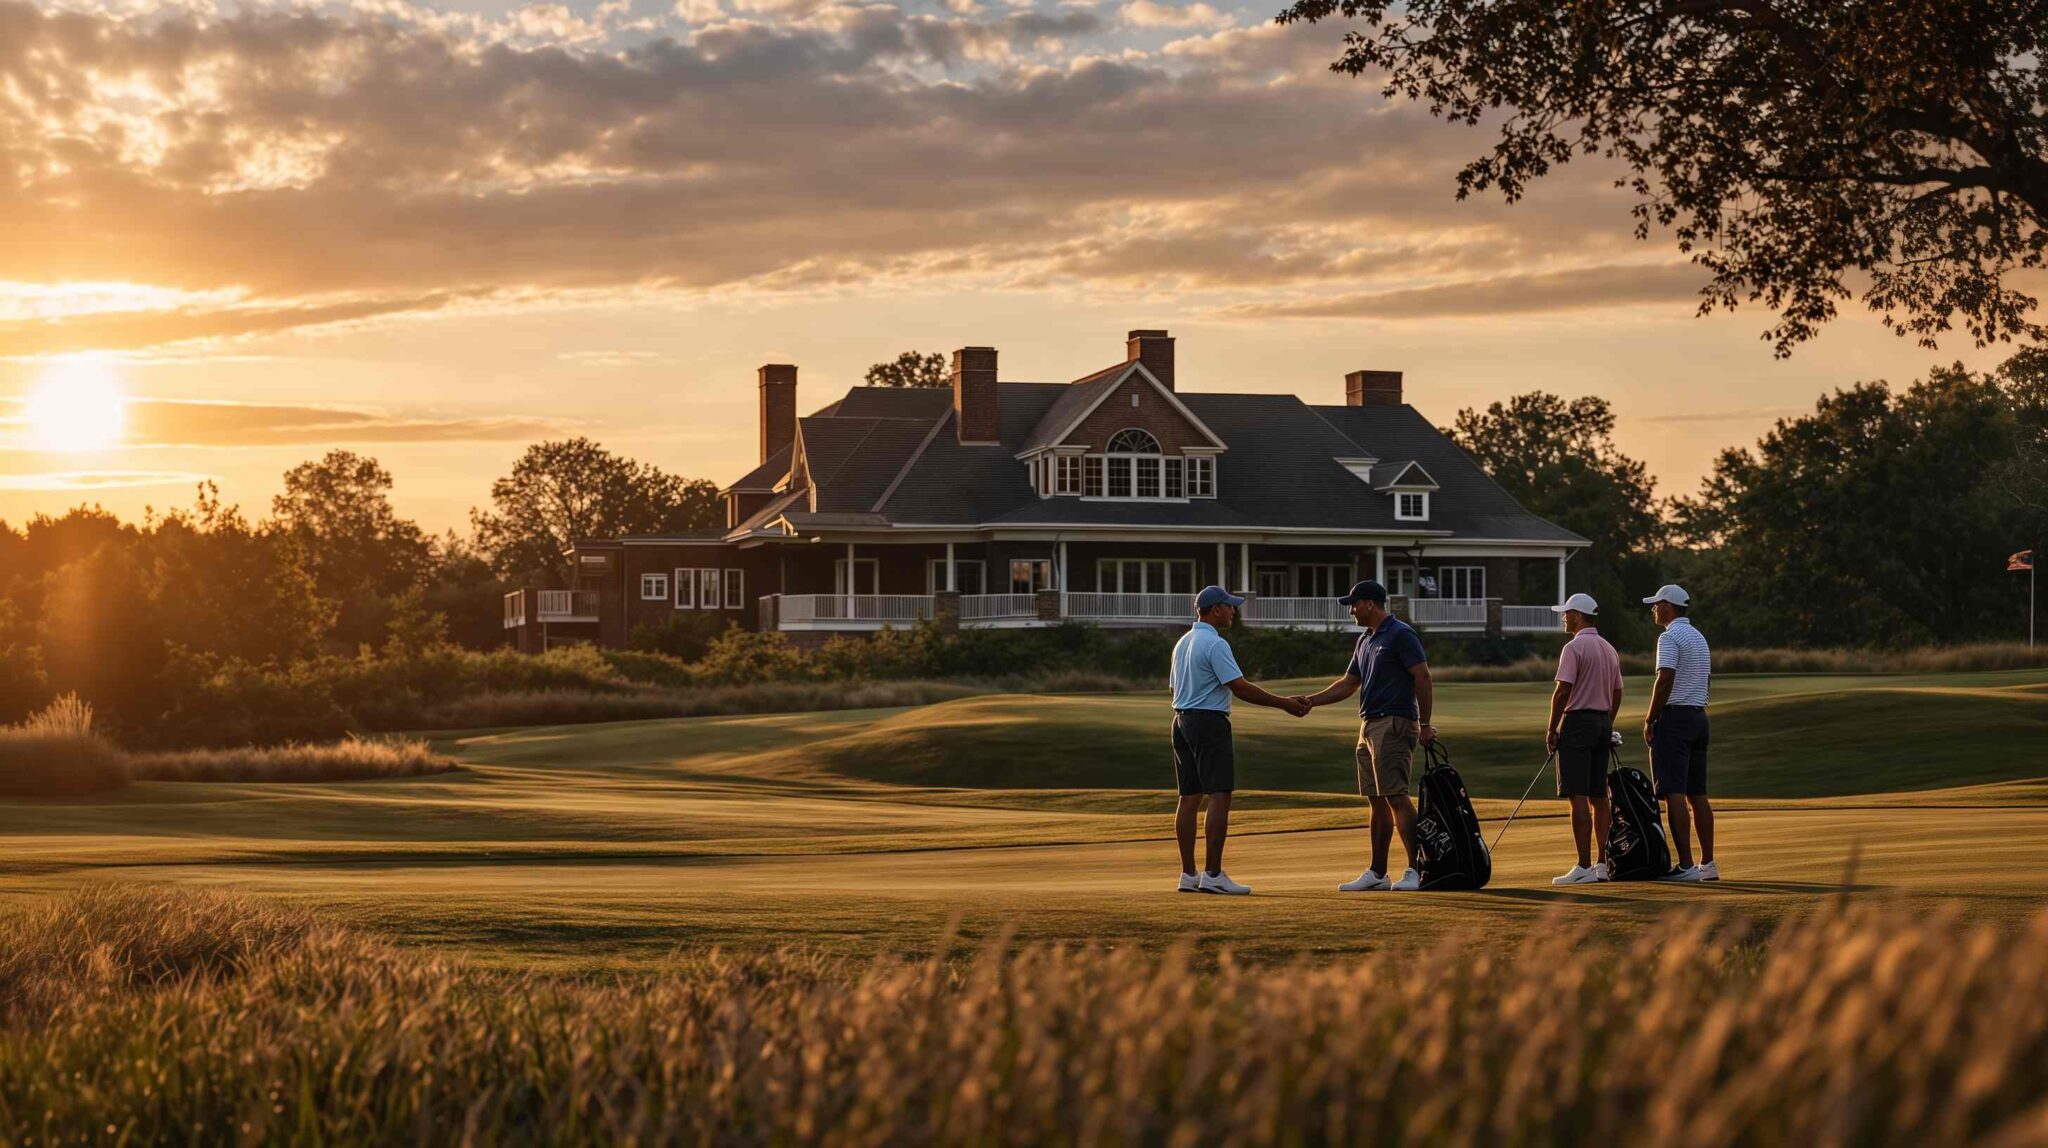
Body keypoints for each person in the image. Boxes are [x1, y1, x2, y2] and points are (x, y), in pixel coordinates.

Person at [1293, 579, 1435, 892]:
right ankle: (1378, 873)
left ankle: (1416, 869)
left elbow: (1422, 676)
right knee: (1376, 801)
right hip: (1369, 724)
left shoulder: (1400, 634)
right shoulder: (1365, 640)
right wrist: (1311, 701)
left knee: (1396, 796)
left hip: (1395, 723)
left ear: (1370, 603)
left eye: (1354, 604)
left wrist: (1425, 724)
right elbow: (1348, 683)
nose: (1351, 611)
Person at [1169, 585, 1310, 895]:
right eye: (1229, 606)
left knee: (1189, 797)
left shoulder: (1183, 642)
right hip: (1208, 721)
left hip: (1181, 721)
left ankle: (1188, 875)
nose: (1234, 611)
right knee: (1220, 795)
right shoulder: (1215, 644)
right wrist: (1285, 703)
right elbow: (1241, 687)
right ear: (1215, 609)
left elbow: (1173, 689)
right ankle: (1214, 874)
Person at [1545, 592, 1623, 885]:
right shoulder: (1608, 648)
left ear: (1577, 615)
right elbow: (1617, 692)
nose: (1564, 617)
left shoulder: (1573, 647)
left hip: (1577, 722)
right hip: (1602, 722)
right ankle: (1602, 865)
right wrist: (1607, 720)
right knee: (1599, 794)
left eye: (1566, 613)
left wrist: (1552, 729)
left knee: (1577, 795)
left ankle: (1583, 866)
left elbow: (1562, 691)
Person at [1641, 584, 1716, 882]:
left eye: (1656, 604)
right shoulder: (1699, 637)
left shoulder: (1669, 636)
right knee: (1697, 794)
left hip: (1675, 719)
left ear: (1668, 607)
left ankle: (1685, 866)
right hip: (1699, 717)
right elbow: (1706, 679)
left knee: (1675, 793)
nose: (1653, 609)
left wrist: (1650, 717)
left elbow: (1665, 678)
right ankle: (1707, 864)